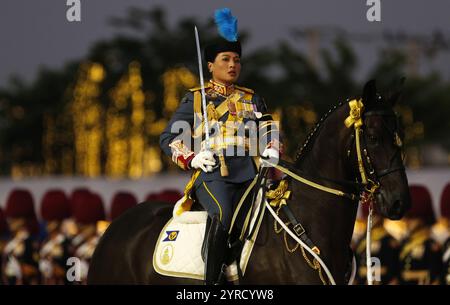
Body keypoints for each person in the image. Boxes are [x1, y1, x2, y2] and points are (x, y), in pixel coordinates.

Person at [159, 8, 281, 285]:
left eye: (237, 59)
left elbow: (269, 128)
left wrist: (273, 147)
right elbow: (169, 138)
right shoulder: (196, 99)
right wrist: (192, 158)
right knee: (224, 214)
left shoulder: (253, 98)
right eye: (225, 59)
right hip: (215, 175)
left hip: (251, 175)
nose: (232, 65)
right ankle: (211, 280)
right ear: (210, 66)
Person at [399, 185, 442, 285]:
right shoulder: (404, 242)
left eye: (411, 217)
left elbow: (435, 277)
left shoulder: (431, 245)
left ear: (421, 218)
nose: (407, 221)